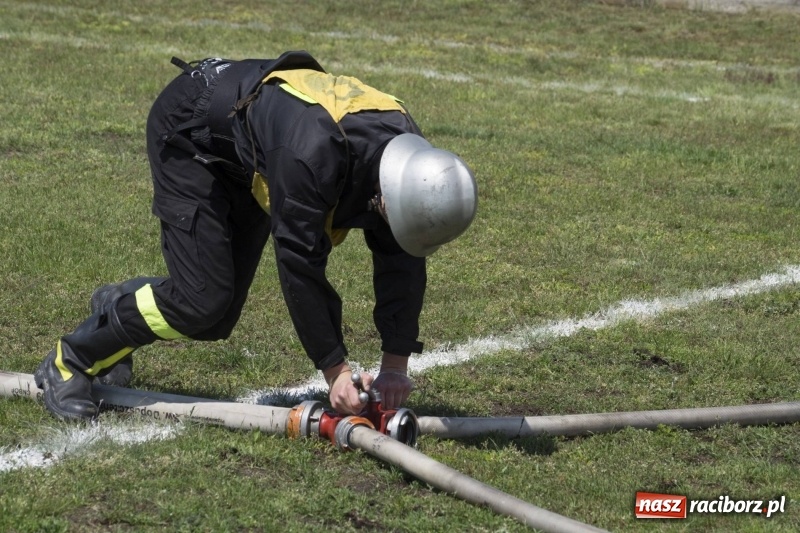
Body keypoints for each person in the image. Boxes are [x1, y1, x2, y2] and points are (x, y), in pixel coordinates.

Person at [34, 50, 478, 422]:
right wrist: (335, 370)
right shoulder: (313, 157)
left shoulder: (409, 161)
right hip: (193, 135)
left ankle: (117, 308)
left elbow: (401, 257)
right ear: (388, 193)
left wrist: (396, 364)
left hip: (252, 154)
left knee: (216, 317)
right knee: (201, 302)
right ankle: (71, 359)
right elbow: (300, 265)